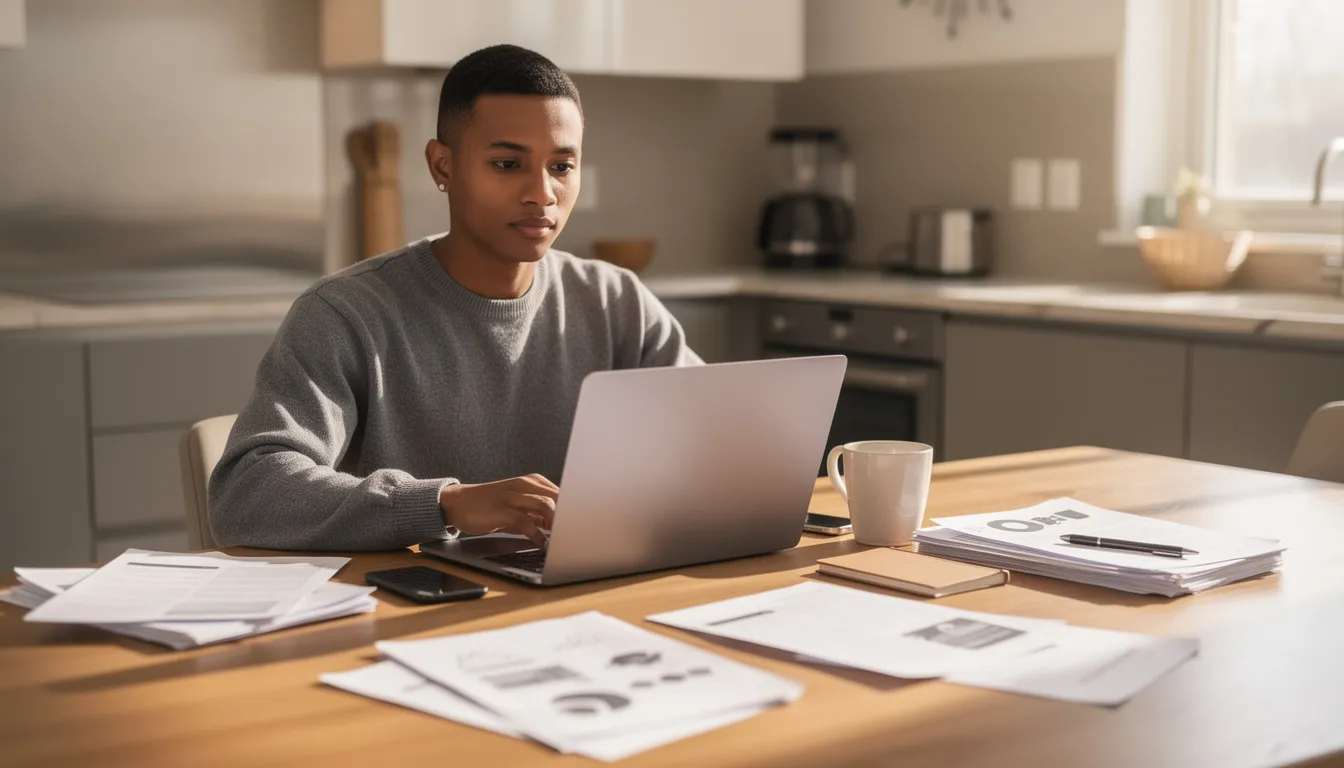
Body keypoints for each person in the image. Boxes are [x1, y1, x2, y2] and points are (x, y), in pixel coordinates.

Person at [209, 44, 702, 552]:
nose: (542, 193)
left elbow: (716, 437)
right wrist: (445, 502)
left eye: (562, 166)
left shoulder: (615, 300)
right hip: (412, 611)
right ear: (442, 165)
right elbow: (247, 494)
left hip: (580, 593)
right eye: (508, 163)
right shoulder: (346, 314)